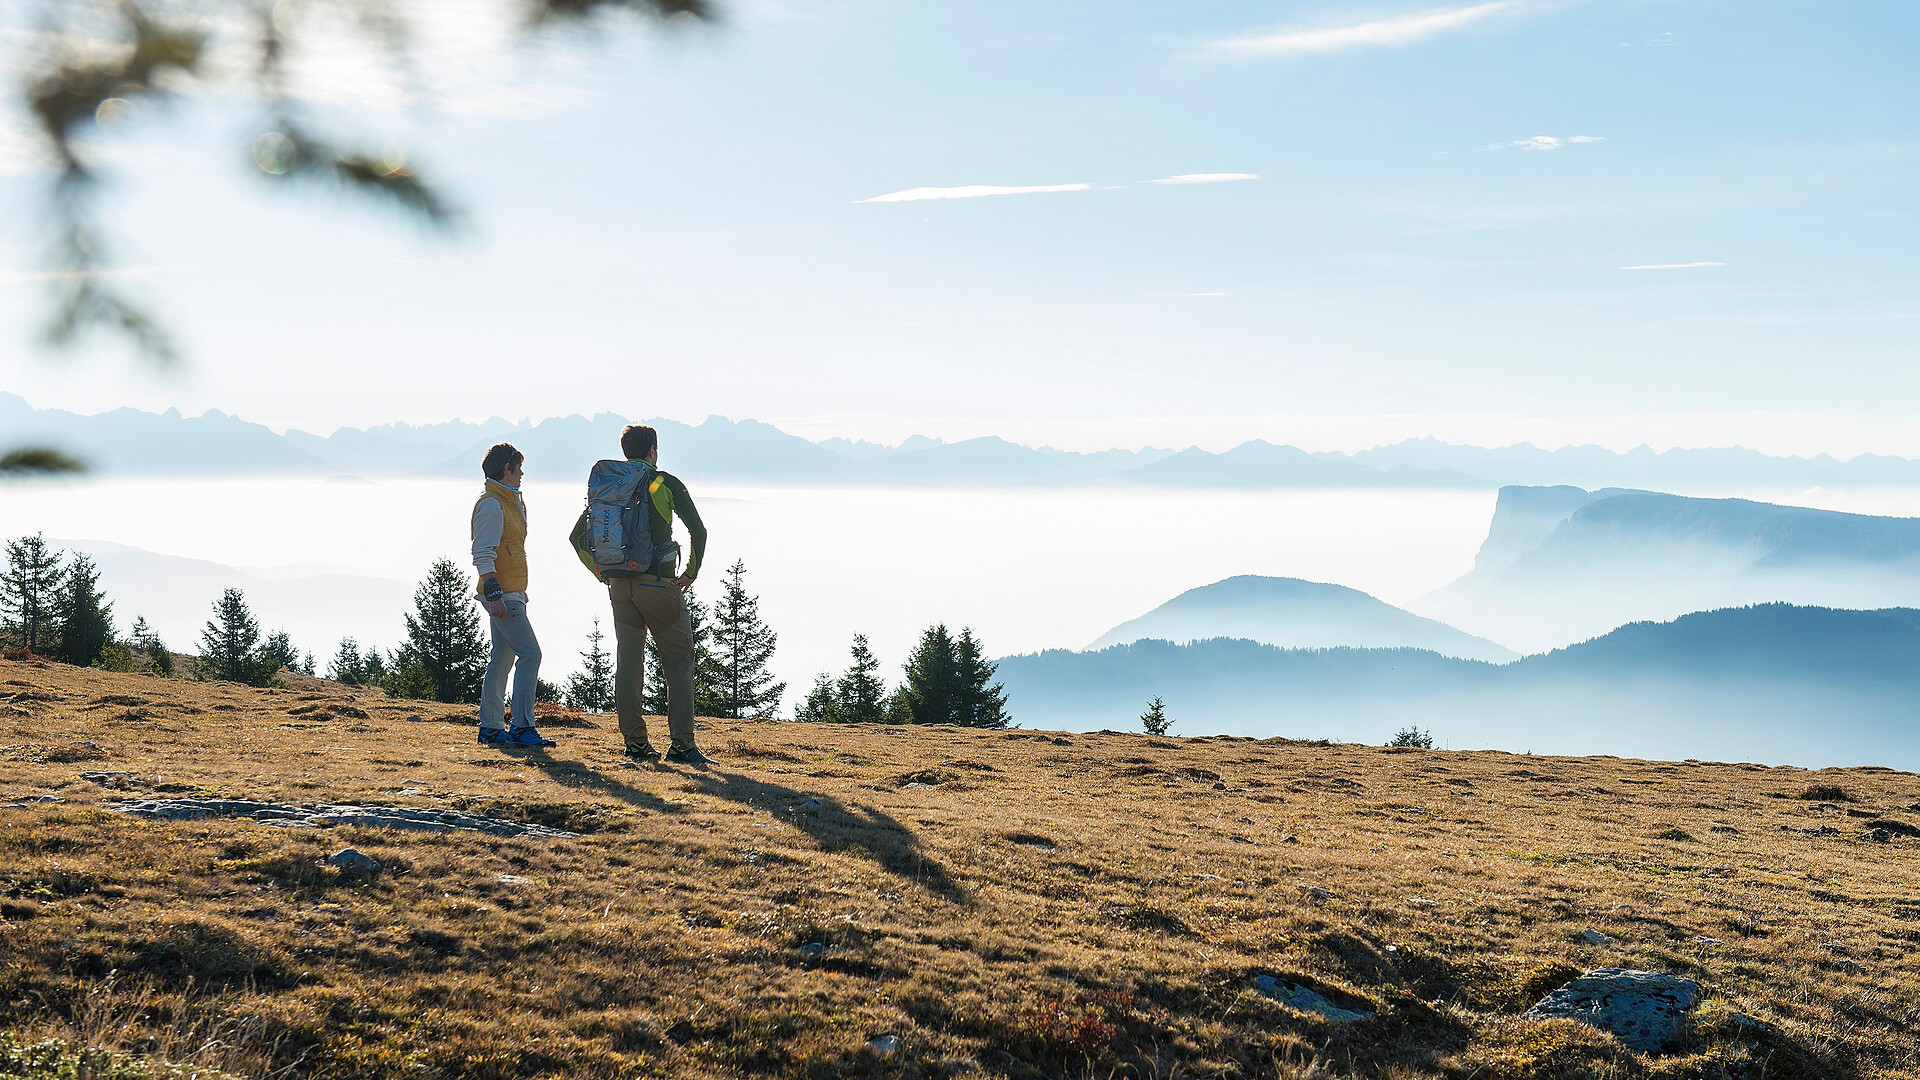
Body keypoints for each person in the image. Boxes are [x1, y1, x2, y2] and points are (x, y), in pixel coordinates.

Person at [605, 423, 710, 764]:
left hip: (621, 585)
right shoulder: (663, 482)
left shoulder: (611, 484)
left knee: (629, 664)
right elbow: (699, 530)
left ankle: (635, 744)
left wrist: (598, 567)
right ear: (652, 450)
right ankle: (682, 744)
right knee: (679, 662)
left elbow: (578, 535)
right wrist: (690, 573)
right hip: (658, 584)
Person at [471, 442, 552, 748]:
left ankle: (491, 727)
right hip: (503, 595)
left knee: (502, 659)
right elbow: (482, 552)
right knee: (531, 654)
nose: (522, 473)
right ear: (506, 468)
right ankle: (521, 726)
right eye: (518, 467)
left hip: (512, 592)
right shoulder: (492, 504)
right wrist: (494, 594)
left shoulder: (509, 501)